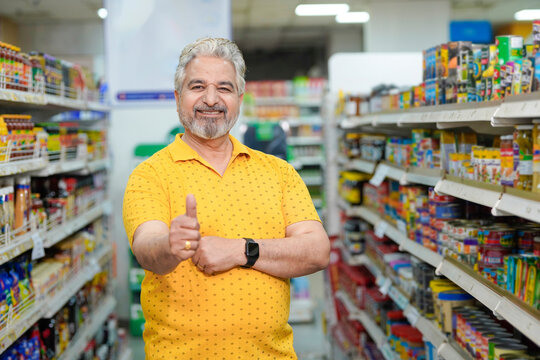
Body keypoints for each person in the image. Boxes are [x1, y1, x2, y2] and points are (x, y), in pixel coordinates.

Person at [122, 37, 330, 359]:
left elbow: (316, 250)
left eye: (224, 88)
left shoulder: (279, 172)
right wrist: (169, 245)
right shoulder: (150, 174)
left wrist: (241, 250)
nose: (210, 99)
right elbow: (147, 248)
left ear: (239, 98)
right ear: (178, 98)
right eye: (197, 86)